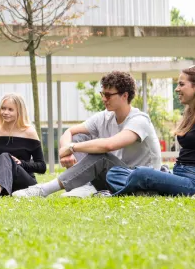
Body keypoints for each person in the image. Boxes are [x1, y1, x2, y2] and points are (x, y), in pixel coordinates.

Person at [13, 71, 161, 198]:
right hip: (116, 176)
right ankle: (87, 185)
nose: (104, 99)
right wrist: (67, 152)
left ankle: (44, 190)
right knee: (78, 137)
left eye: (108, 95)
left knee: (101, 156)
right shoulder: (105, 117)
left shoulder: (139, 120)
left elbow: (109, 145)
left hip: (141, 181)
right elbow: (69, 131)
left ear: (124, 96)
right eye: (103, 93)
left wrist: (72, 148)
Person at [105, 65, 195, 196]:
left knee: (141, 174)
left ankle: (123, 194)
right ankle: (149, 192)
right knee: (115, 173)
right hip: (178, 175)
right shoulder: (190, 115)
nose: (177, 89)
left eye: (182, 84)